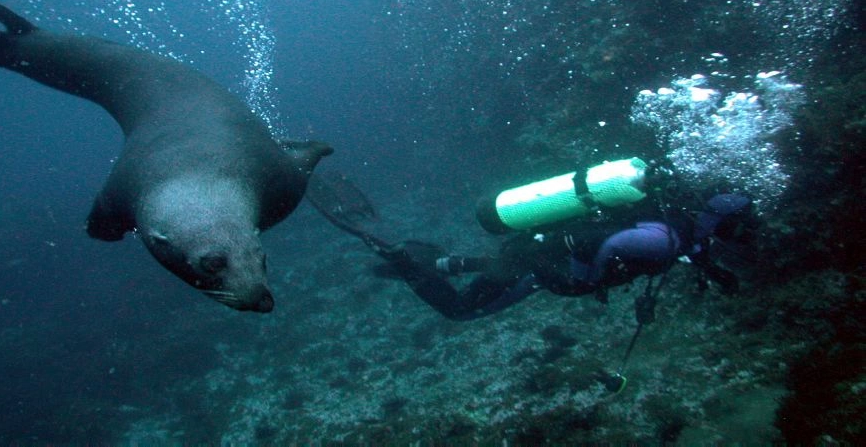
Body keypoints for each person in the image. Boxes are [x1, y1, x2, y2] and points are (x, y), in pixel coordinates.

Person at [307, 169, 754, 322]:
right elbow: (615, 240)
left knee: (501, 264)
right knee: (463, 311)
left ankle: (435, 260)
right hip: (544, 268)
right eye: (737, 231)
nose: (736, 239)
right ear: (724, 226)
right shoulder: (668, 235)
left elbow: (685, 249)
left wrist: (714, 271)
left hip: (540, 251)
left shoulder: (682, 224)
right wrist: (587, 279)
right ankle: (404, 261)